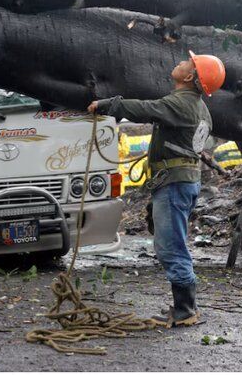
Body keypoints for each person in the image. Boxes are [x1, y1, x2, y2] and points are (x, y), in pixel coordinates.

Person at [87, 50, 226, 328]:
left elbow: (146, 109)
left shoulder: (181, 104)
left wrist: (108, 105)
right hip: (179, 180)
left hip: (174, 183)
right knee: (172, 242)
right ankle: (185, 306)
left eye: (188, 62)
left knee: (170, 246)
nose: (180, 62)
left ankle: (186, 309)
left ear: (190, 76)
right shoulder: (200, 108)